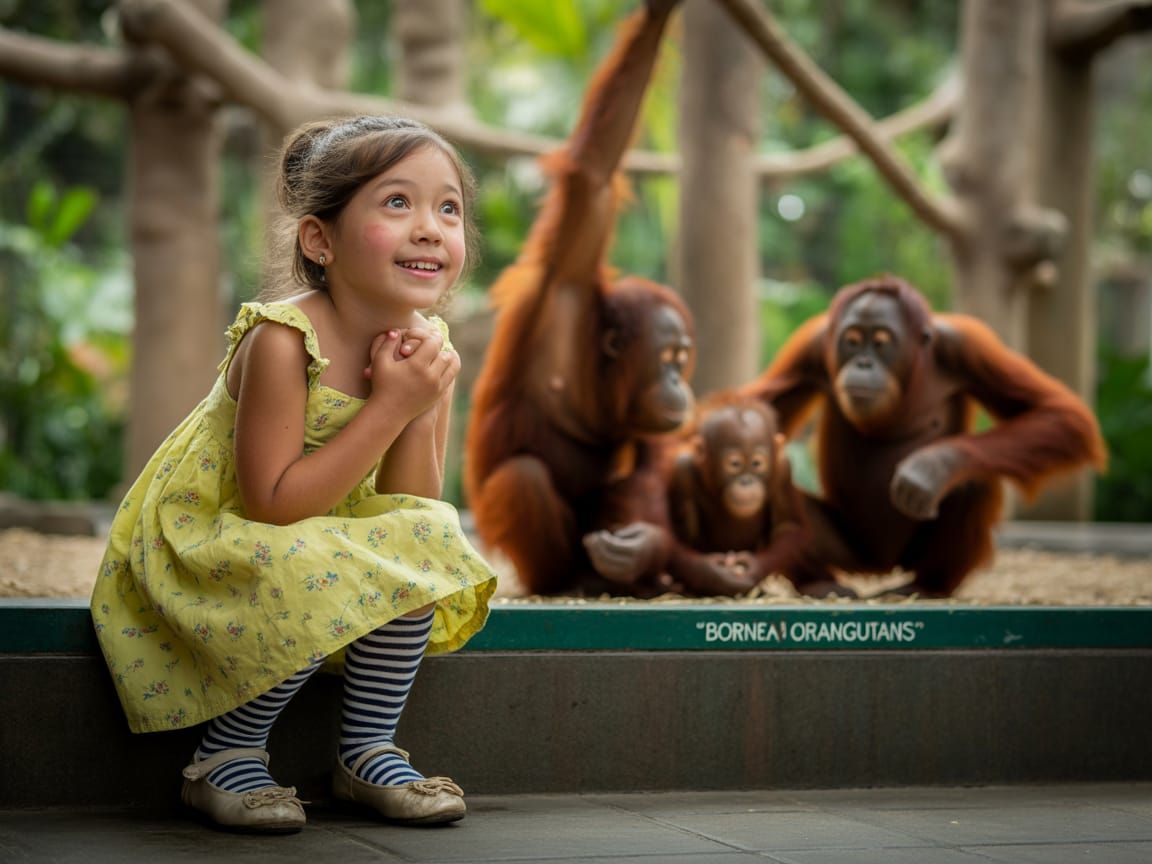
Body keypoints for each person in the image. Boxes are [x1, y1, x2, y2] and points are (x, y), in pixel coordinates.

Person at [90, 115, 498, 834]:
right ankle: (225, 754)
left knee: (429, 536)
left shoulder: (427, 347)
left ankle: (367, 750)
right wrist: (392, 404)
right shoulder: (283, 339)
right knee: (306, 556)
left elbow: (410, 512)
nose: (431, 227)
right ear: (320, 240)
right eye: (397, 202)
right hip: (214, 542)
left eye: (449, 208)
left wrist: (415, 400)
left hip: (315, 543)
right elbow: (272, 506)